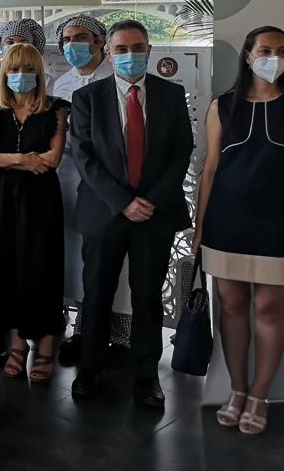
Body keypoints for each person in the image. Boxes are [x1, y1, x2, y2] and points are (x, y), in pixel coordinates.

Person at [68, 20, 193, 409]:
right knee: (97, 295)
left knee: (147, 298)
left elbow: (181, 152)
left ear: (149, 51)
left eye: (137, 47)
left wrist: (149, 200)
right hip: (105, 213)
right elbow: (84, 156)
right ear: (108, 52)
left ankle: (146, 377)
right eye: (121, 49)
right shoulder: (88, 97)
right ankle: (89, 371)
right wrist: (122, 201)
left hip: (154, 214)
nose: (129, 55)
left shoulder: (171, 95)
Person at [195, 26, 284, 434]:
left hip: (280, 224)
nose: (274, 57)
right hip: (226, 222)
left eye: (282, 50)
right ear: (247, 56)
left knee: (268, 310)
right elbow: (209, 170)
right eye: (265, 50)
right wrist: (199, 226)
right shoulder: (222, 106)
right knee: (230, 307)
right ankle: (238, 389)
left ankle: (259, 395)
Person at [0, 43, 69, 382]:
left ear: (39, 74)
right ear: (4, 73)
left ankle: (44, 344)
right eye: (14, 69)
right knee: (5, 267)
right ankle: (17, 344)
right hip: (0, 199)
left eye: (28, 69)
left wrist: (4, 157)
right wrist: (22, 159)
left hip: (40, 200)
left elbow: (52, 160)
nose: (21, 76)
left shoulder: (55, 109)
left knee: (40, 268)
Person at [50, 15, 129, 367]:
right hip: (68, 180)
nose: (73, 46)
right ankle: (82, 330)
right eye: (66, 39)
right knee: (76, 262)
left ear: (101, 42)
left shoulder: (117, 82)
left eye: (81, 38)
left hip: (109, 186)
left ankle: (119, 336)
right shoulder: (60, 83)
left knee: (110, 264)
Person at [0, 18, 53, 89]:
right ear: (1, 45)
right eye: (10, 42)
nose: (15, 46)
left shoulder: (47, 81)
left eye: (22, 43)